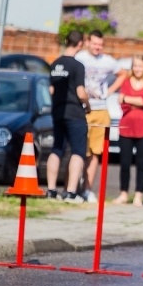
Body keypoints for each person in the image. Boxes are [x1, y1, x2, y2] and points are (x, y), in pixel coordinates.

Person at [76, 30, 127, 203]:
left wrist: (110, 91)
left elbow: (122, 74)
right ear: (88, 42)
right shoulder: (80, 58)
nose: (97, 47)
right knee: (78, 151)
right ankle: (72, 187)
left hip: (100, 109)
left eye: (100, 44)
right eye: (95, 43)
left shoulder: (108, 61)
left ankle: (87, 189)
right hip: (81, 109)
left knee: (94, 153)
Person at [46, 30, 90, 203]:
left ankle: (51, 190)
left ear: (66, 41)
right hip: (74, 113)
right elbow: (80, 92)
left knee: (57, 149)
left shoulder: (55, 64)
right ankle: (71, 193)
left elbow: (51, 90)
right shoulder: (77, 66)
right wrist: (87, 104)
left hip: (58, 111)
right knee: (78, 151)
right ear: (80, 44)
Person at [112, 56, 143, 207]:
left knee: (141, 163)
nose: (137, 69)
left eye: (140, 66)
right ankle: (123, 193)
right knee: (124, 162)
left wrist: (128, 99)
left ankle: (139, 194)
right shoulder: (126, 82)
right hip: (126, 127)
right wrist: (135, 100)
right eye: (135, 66)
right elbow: (121, 103)